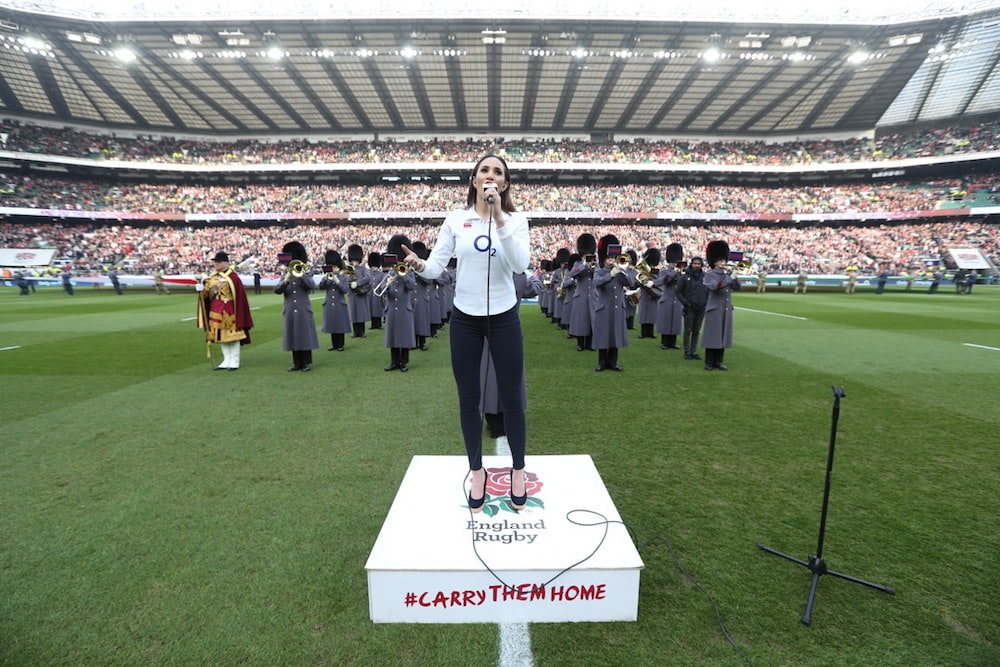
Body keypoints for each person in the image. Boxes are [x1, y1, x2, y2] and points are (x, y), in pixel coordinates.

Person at [401, 154, 531, 512]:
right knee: (467, 396)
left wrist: (498, 217)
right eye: (484, 170)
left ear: (504, 184)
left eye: (498, 173)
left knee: (512, 396)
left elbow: (520, 265)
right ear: (474, 179)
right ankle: (477, 472)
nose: (490, 176)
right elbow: (436, 266)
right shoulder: (456, 220)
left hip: (504, 315)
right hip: (465, 318)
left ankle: (518, 469)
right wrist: (419, 264)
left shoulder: (517, 221)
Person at [197, 251, 254, 370]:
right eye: (215, 262)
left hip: (230, 310)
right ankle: (226, 359)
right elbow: (207, 295)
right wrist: (201, 289)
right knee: (221, 336)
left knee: (233, 336)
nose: (216, 264)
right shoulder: (212, 276)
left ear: (225, 263)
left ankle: (234, 360)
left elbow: (239, 296)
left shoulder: (233, 277)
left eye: (218, 262)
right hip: (216, 309)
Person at [590, 234, 634, 372]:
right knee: (603, 335)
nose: (611, 260)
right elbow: (597, 282)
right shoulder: (599, 270)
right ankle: (602, 362)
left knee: (616, 335)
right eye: (608, 258)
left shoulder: (620, 270)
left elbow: (631, 283)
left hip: (618, 308)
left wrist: (623, 272)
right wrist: (611, 274)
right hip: (604, 307)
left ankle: (613, 362)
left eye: (612, 258)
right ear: (604, 258)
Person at [275, 241, 319, 372]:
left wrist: (301, 274)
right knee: (293, 335)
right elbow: (277, 289)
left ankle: (306, 362)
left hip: (302, 308)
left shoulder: (305, 271)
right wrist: (286, 279)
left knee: (304, 335)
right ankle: (296, 363)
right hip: (289, 310)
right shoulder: (285, 275)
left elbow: (311, 285)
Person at [380, 235, 417, 372]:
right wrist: (388, 285)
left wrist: (403, 274)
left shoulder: (409, 271)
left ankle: (404, 362)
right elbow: (384, 292)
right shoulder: (389, 272)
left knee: (404, 336)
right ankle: (394, 362)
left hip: (403, 308)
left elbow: (412, 286)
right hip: (391, 308)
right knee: (393, 336)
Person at [703, 240, 741, 371]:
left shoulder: (727, 275)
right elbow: (715, 287)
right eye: (720, 260)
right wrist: (729, 278)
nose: (723, 263)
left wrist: (735, 276)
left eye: (723, 260)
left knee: (723, 335)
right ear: (714, 262)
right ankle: (709, 361)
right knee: (712, 335)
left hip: (726, 309)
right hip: (714, 309)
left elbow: (737, 287)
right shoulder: (709, 274)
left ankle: (718, 361)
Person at [675, 256, 708, 361]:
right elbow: (678, 292)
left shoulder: (705, 277)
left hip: (701, 307)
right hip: (690, 307)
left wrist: (705, 301)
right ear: (691, 264)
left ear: (701, 265)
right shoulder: (684, 277)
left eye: (698, 264)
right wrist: (685, 303)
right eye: (695, 263)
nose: (696, 266)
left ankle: (693, 351)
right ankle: (687, 351)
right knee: (688, 330)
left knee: (696, 330)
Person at [318, 249, 351, 352]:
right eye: (332, 267)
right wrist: (325, 278)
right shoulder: (328, 277)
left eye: (335, 267)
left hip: (339, 304)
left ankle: (340, 344)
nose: (334, 269)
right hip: (329, 304)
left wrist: (337, 281)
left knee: (339, 325)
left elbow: (345, 290)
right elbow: (321, 287)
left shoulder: (343, 277)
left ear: (338, 267)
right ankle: (334, 344)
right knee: (332, 324)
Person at [654, 243, 683, 350]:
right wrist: (674, 273)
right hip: (667, 298)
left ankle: (673, 342)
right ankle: (665, 342)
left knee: (675, 320)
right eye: (673, 262)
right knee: (666, 320)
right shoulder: (665, 271)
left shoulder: (681, 271)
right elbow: (663, 281)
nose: (675, 264)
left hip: (677, 299)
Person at [345, 244, 372, 338]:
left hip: (360, 293)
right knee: (354, 314)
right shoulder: (348, 269)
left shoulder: (363, 269)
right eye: (352, 260)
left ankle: (362, 331)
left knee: (361, 314)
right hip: (352, 294)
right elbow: (345, 279)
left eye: (355, 260)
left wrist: (358, 283)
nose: (354, 262)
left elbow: (368, 278)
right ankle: (355, 332)